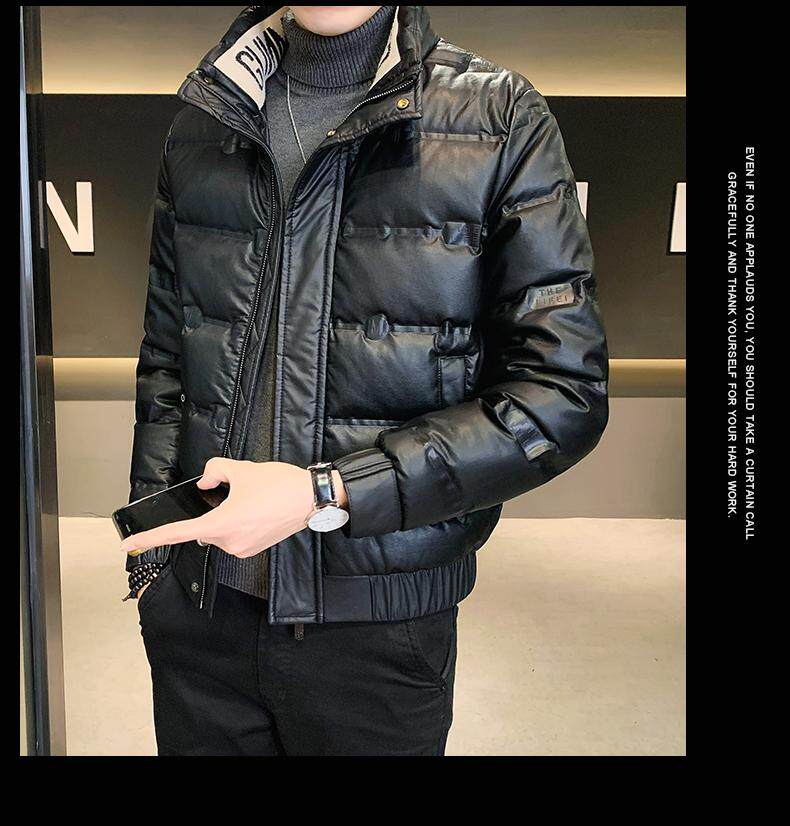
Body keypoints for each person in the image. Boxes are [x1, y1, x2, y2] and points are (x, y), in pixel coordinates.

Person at [121, 4, 609, 756]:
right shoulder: (203, 119)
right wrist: (155, 551)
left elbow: (560, 395)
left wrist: (328, 491)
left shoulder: (499, 116)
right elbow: (168, 356)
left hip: (377, 633)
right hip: (199, 616)